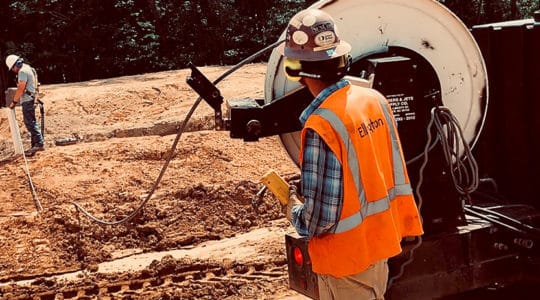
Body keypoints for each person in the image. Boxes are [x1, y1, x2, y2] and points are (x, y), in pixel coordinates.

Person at [277, 9, 424, 299]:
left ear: (296, 70)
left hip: (347, 262)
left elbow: (320, 220)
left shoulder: (322, 125)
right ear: (341, 60)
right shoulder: (374, 100)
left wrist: (294, 210)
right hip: (378, 247)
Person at [6, 54, 44, 156]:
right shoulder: (28, 68)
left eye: (12, 68)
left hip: (27, 100)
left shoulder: (22, 71)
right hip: (31, 99)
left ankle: (39, 143)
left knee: (30, 123)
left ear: (15, 65)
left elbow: (21, 88)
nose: (13, 70)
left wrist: (14, 102)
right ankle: (34, 147)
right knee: (32, 122)